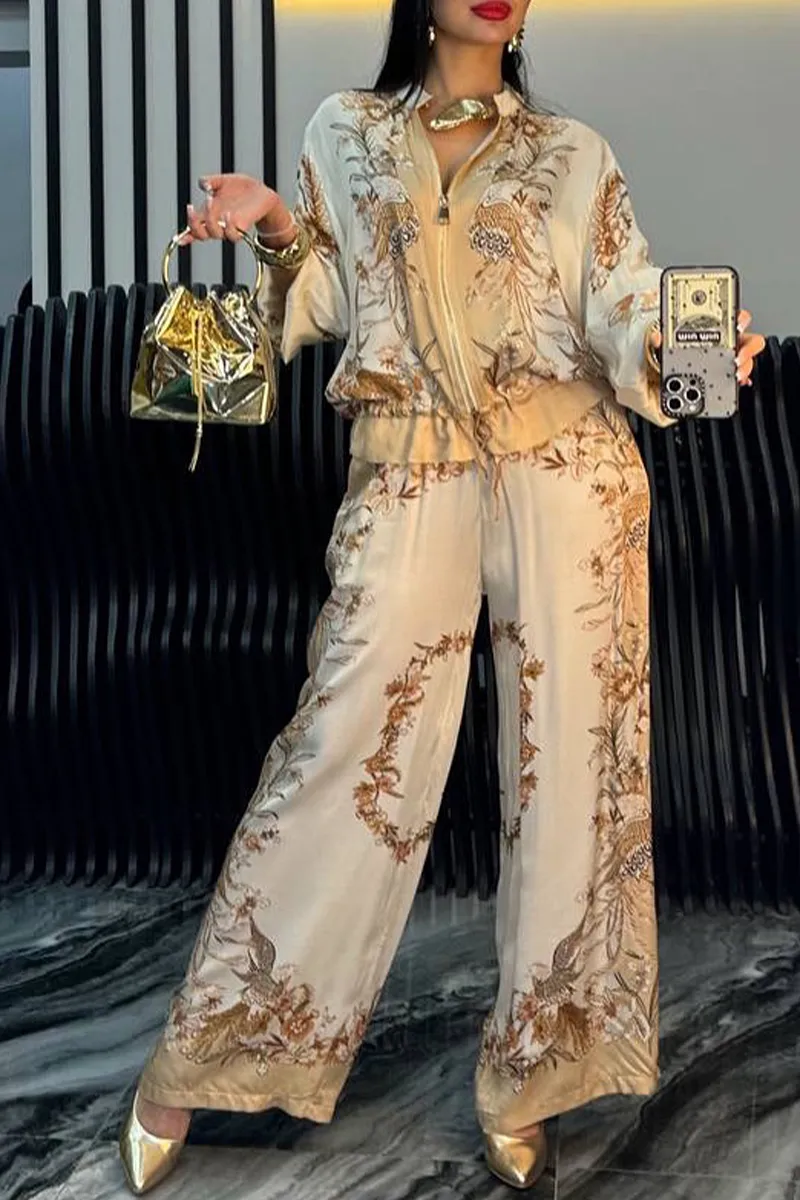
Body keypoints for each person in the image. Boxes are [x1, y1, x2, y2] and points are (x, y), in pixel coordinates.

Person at [118, 0, 766, 1193]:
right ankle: (213, 1054)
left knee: (572, 769)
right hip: (410, 467)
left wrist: (691, 343)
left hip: (566, 470)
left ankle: (537, 1069)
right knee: (340, 748)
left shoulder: (572, 153)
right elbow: (323, 297)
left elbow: (619, 298)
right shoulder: (345, 130)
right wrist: (275, 229)